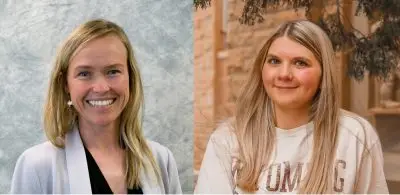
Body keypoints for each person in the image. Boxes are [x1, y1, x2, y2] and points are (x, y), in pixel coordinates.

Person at [194, 20, 388, 194]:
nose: (284, 74)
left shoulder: (355, 137)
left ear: (323, 75)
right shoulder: (228, 139)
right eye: (274, 61)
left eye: (300, 63)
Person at [10, 19, 182, 194]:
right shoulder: (37, 166)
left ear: (130, 77)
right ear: (65, 84)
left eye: (113, 71)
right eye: (84, 73)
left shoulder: (161, 160)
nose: (101, 88)